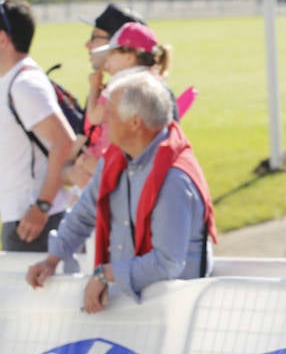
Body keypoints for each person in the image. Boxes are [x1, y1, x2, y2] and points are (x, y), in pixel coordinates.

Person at [25, 70, 217, 313]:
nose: (103, 120)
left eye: (111, 113)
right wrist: (52, 260)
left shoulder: (173, 180)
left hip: (171, 316)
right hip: (132, 310)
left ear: (136, 123)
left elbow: (167, 262)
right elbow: (84, 213)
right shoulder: (114, 159)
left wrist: (106, 275)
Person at [0, 0, 77, 252]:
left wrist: (42, 206)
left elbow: (64, 141)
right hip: (20, 216)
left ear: (3, 39)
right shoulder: (11, 80)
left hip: (33, 222)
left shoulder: (24, 85)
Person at [66, 21, 176, 188]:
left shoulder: (120, 86)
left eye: (111, 54)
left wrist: (94, 87)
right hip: (131, 168)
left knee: (81, 186)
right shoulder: (154, 82)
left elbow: (94, 117)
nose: (107, 59)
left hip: (107, 162)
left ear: (129, 57)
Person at [62, 3, 147, 189]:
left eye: (95, 38)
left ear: (120, 45)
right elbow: (67, 165)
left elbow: (147, 174)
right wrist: (73, 172)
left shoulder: (145, 96)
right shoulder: (102, 91)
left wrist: (100, 170)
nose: (87, 44)